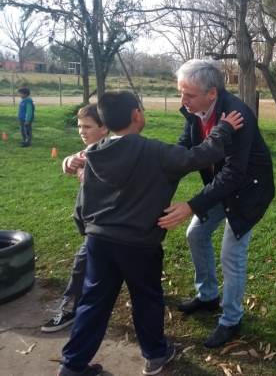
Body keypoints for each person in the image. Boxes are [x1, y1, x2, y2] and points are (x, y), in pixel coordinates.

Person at [57, 90, 243, 376]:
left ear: (105, 122)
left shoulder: (94, 152)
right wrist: (224, 129)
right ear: (136, 115)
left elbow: (83, 202)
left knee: (93, 302)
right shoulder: (156, 152)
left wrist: (86, 229)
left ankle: (73, 365)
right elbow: (200, 155)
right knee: (146, 299)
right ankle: (155, 355)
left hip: (98, 242)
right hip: (139, 245)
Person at [157, 59, 275, 349]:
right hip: (220, 188)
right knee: (195, 234)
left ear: (212, 93)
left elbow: (234, 174)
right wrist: (159, 166)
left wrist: (191, 205)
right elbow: (187, 146)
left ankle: (231, 319)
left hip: (247, 192)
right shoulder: (194, 110)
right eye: (180, 92)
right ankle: (208, 296)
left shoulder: (237, 114)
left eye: (189, 94)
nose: (183, 101)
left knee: (231, 255)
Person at [42, 104, 109, 333]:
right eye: (79, 126)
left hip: (107, 225)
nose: (81, 131)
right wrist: (68, 161)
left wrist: (84, 171)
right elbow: (71, 163)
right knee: (94, 262)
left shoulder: (110, 151)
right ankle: (71, 305)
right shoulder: (87, 151)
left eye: (87, 126)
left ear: (105, 128)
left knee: (84, 262)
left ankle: (70, 307)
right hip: (93, 225)